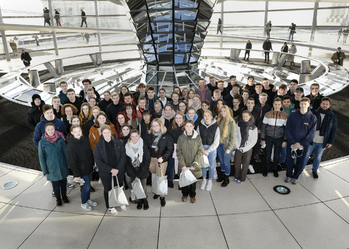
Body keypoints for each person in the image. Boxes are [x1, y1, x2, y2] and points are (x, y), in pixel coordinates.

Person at [94, 125, 126, 214]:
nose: (107, 134)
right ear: (102, 133)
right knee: (108, 189)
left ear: (111, 132)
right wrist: (111, 170)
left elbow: (123, 156)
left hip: (118, 170)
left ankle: (120, 201)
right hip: (106, 172)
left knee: (119, 186)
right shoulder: (98, 145)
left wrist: (117, 169)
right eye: (105, 133)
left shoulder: (118, 142)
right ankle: (110, 206)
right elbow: (98, 161)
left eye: (108, 132)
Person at [302, 97, 337, 178]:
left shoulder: (332, 116)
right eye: (323, 104)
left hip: (322, 141)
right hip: (312, 139)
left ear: (329, 105)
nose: (325, 106)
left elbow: (334, 129)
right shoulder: (314, 113)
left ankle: (314, 170)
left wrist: (330, 141)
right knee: (306, 155)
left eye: (326, 104)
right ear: (320, 104)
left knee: (318, 157)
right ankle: (301, 168)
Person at [285, 97, 317, 185]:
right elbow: (288, 128)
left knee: (300, 161)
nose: (303, 105)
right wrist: (292, 141)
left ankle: (295, 176)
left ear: (309, 105)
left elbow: (312, 133)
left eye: (305, 104)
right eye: (302, 103)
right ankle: (288, 175)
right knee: (289, 160)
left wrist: (301, 143)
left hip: (304, 145)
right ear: (299, 104)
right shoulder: (293, 115)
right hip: (292, 143)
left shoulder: (312, 118)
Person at [66, 125, 97, 211]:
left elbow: (90, 153)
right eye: (75, 131)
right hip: (81, 171)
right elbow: (72, 162)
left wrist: (93, 163)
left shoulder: (85, 139)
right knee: (86, 188)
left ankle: (88, 199)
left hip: (89, 168)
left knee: (88, 186)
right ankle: (84, 203)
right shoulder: (70, 146)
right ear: (72, 132)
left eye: (79, 130)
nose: (78, 133)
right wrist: (77, 175)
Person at [144, 118, 174, 207]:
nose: (155, 127)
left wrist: (163, 158)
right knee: (154, 176)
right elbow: (145, 149)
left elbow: (170, 150)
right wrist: (147, 161)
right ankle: (157, 191)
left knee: (161, 178)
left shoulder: (167, 136)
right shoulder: (148, 135)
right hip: (151, 160)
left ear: (161, 125)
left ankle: (162, 196)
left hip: (161, 161)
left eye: (157, 125)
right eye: (153, 125)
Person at [38, 123, 69, 206]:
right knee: (55, 184)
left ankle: (64, 196)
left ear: (54, 129)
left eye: (52, 129)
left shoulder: (60, 139)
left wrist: (67, 164)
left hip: (62, 165)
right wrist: (45, 170)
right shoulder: (42, 142)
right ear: (45, 131)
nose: (50, 131)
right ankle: (58, 198)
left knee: (63, 182)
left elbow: (65, 153)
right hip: (51, 167)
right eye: (48, 129)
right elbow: (42, 157)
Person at [261, 98, 288, 177]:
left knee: (277, 155)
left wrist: (285, 140)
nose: (277, 106)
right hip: (268, 137)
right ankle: (267, 168)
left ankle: (275, 169)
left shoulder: (285, 115)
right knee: (267, 154)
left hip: (279, 138)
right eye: (275, 104)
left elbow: (287, 129)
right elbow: (263, 127)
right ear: (273, 104)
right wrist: (262, 139)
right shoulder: (267, 114)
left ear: (281, 105)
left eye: (279, 104)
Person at [177, 120, 203, 203]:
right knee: (185, 180)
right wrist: (182, 165)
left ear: (193, 127)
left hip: (193, 164)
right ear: (184, 127)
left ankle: (192, 195)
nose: (188, 128)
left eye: (190, 126)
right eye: (187, 126)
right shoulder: (181, 138)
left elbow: (200, 151)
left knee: (192, 182)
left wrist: (195, 163)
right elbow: (179, 151)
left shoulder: (198, 138)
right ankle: (184, 194)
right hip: (184, 163)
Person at [125, 129, 151, 210]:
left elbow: (147, 159)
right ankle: (139, 200)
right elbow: (126, 161)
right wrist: (133, 172)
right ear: (130, 137)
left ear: (139, 135)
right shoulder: (127, 146)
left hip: (142, 169)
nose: (135, 138)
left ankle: (145, 200)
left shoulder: (143, 145)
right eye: (132, 136)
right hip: (132, 170)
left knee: (143, 186)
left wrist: (141, 172)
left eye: (136, 136)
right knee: (136, 186)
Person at [197, 110, 220, 191]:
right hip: (202, 148)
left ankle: (209, 180)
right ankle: (204, 180)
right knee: (203, 165)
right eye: (205, 116)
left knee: (211, 165)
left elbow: (216, 141)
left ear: (211, 117)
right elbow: (197, 138)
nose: (206, 117)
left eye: (208, 116)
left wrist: (209, 150)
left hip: (211, 149)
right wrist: (202, 149)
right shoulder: (200, 125)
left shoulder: (216, 126)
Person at [234, 111, 258, 183]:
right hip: (238, 147)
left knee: (245, 164)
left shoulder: (253, 127)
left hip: (247, 148)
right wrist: (238, 147)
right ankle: (236, 176)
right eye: (243, 116)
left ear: (250, 117)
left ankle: (242, 178)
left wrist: (244, 149)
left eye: (246, 116)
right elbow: (235, 136)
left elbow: (253, 141)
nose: (244, 118)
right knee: (237, 163)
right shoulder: (238, 125)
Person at [216, 105, 237, 187]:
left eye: (224, 111)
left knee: (226, 162)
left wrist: (229, 148)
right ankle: (222, 174)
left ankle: (226, 178)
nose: (222, 112)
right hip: (219, 144)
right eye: (221, 111)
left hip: (227, 145)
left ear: (228, 111)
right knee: (221, 161)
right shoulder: (220, 120)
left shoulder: (232, 122)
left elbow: (233, 137)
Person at [168, 112, 185, 188]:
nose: (178, 120)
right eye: (176, 118)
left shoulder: (186, 127)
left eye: (180, 118)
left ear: (183, 119)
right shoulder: (171, 127)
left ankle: (181, 181)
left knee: (181, 165)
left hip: (183, 148)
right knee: (171, 165)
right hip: (172, 148)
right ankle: (170, 180)